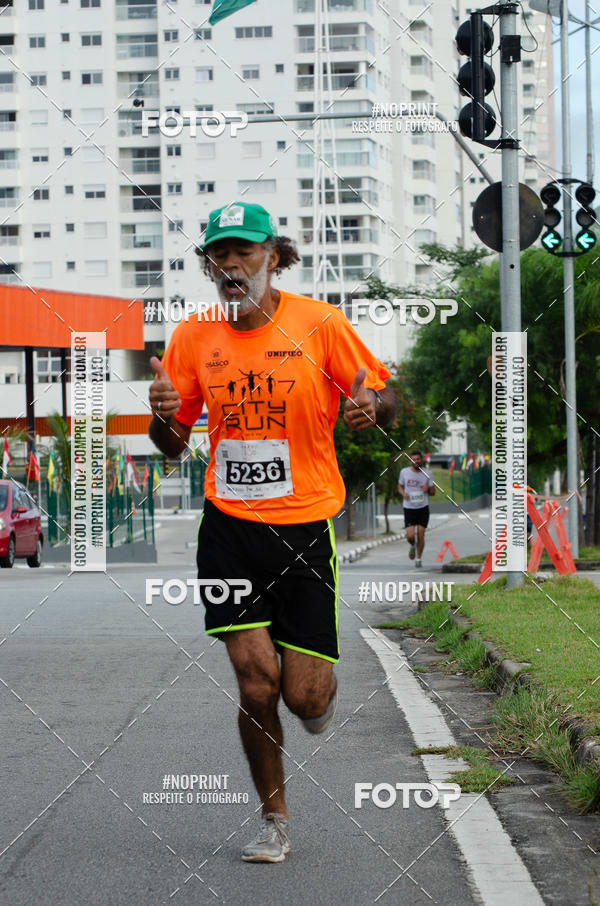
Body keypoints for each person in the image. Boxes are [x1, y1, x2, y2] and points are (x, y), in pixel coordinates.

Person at [147, 201, 396, 863]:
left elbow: (380, 389)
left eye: (245, 252)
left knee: (303, 695)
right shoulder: (195, 337)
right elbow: (171, 445)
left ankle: (315, 702)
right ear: (208, 265)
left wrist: (369, 402)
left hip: (306, 526)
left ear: (274, 258)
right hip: (228, 528)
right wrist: (164, 418)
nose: (231, 264)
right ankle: (274, 819)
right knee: (256, 684)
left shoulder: (321, 324)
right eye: (219, 254)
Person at [398, 451, 435, 567]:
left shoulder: (428, 473)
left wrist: (427, 489)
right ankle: (412, 546)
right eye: (413, 459)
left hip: (423, 508)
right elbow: (399, 486)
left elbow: (433, 492)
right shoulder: (404, 472)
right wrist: (403, 494)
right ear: (410, 461)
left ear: (421, 460)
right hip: (409, 507)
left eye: (418, 459)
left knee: (421, 534)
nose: (416, 461)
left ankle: (418, 558)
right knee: (410, 536)